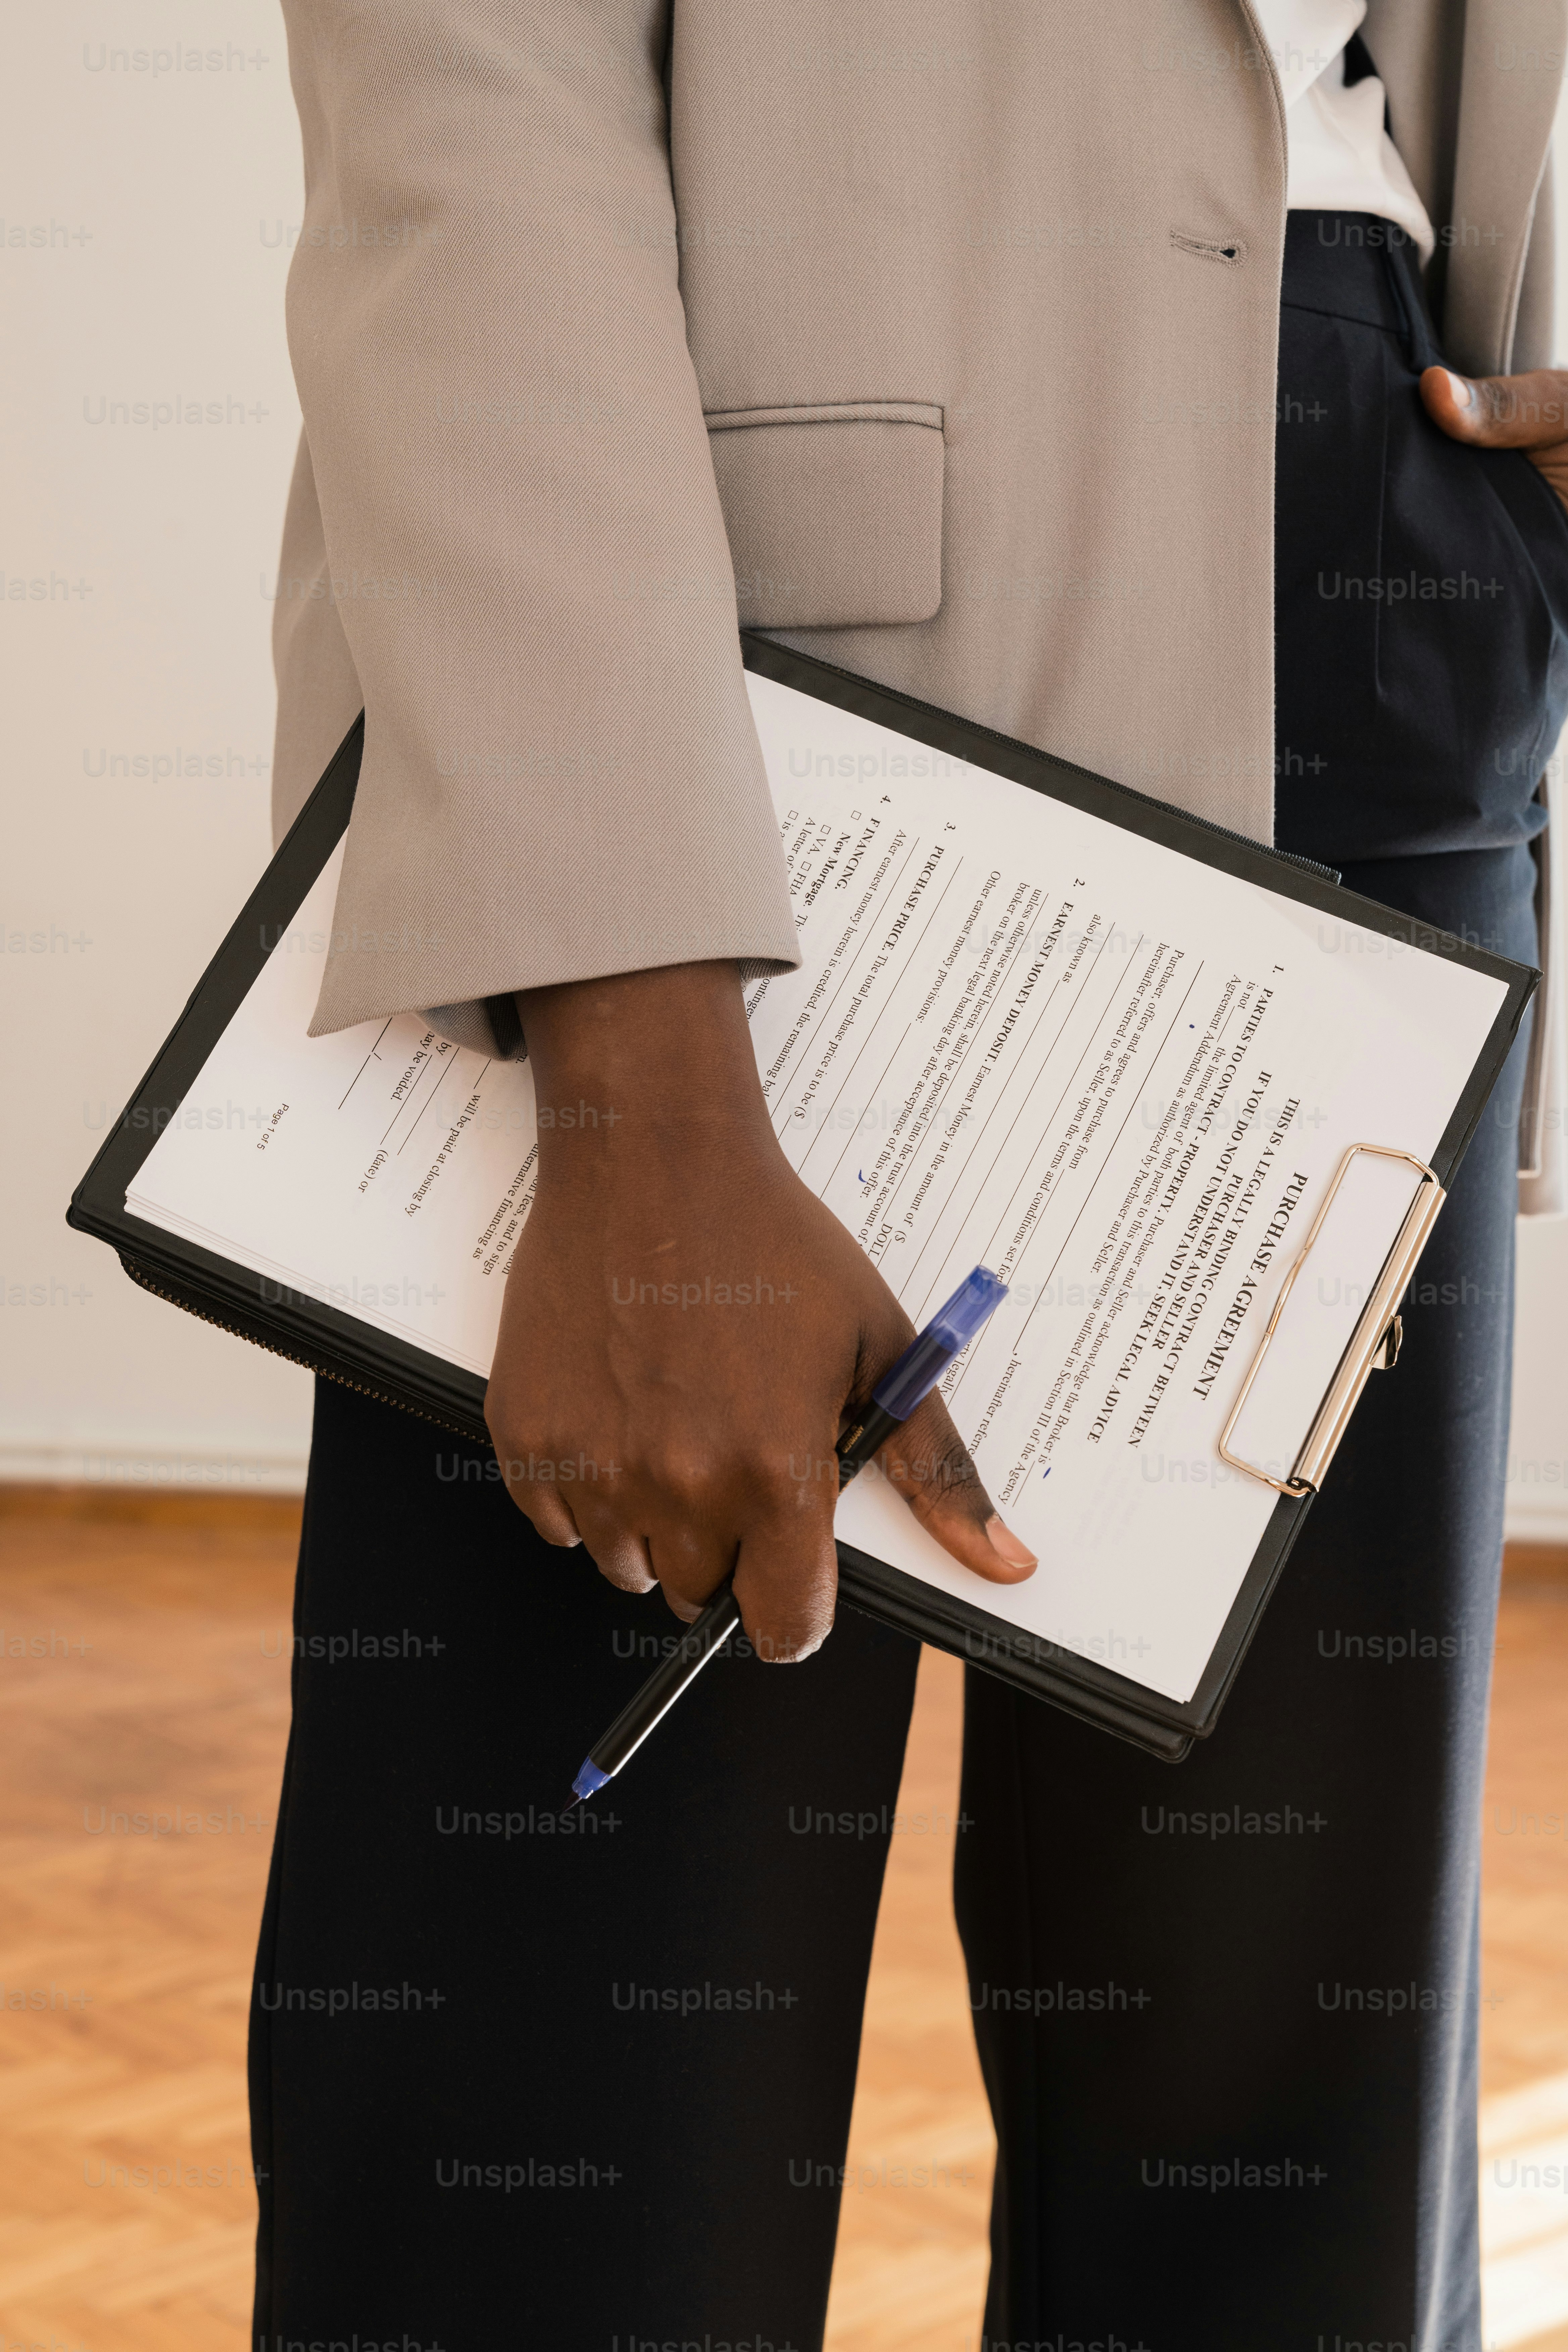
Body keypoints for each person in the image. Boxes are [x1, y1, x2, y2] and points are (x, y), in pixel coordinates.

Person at [250, 1, 1568, 2343]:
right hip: (716, 696)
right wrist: (635, 1053)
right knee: (548, 2150)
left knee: (1286, 2188)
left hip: (1402, 597)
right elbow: (463, 71)